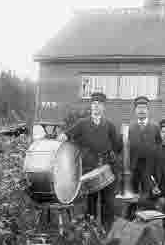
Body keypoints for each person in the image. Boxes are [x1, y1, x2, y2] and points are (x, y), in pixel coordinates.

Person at [57, 92, 122, 230]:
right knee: (91, 201)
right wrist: (62, 136)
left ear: (103, 107)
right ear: (91, 106)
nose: (96, 107)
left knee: (107, 201)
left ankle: (106, 229)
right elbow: (67, 134)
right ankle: (89, 230)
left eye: (99, 104)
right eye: (93, 104)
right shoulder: (82, 123)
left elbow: (117, 146)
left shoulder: (109, 125)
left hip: (105, 168)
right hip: (89, 167)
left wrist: (112, 157)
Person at [128, 96, 161, 194]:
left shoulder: (155, 127)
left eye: (144, 108)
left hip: (150, 168)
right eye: (139, 108)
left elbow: (159, 147)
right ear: (135, 111)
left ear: (148, 110)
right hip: (133, 167)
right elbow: (125, 147)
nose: (141, 111)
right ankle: (133, 209)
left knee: (148, 193)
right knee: (132, 194)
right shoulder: (129, 128)